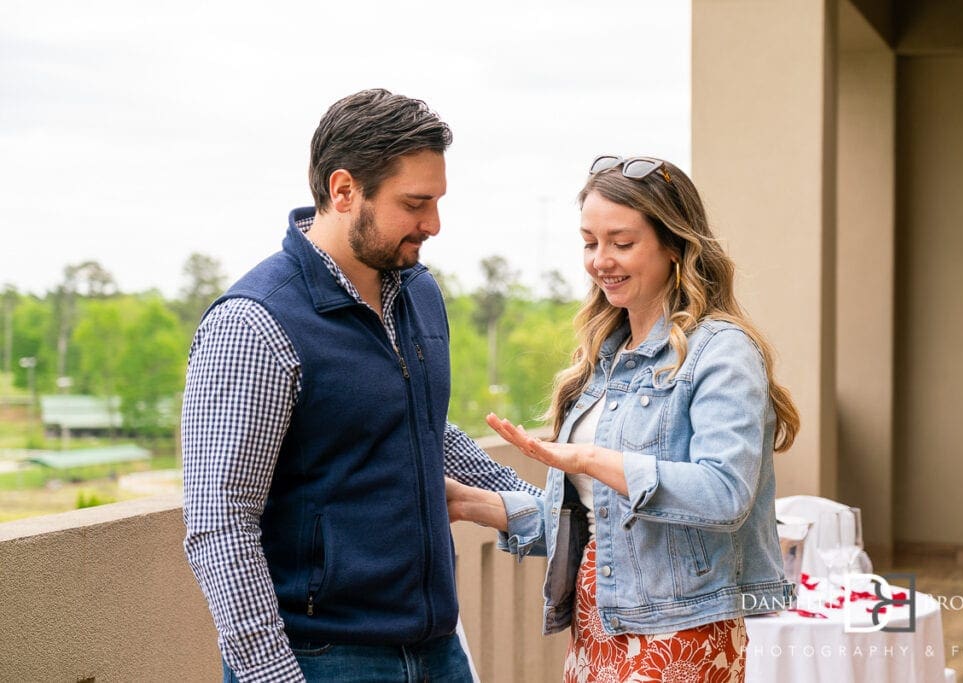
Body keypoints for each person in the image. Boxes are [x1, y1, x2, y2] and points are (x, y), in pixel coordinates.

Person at [181, 89, 540, 682]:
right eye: (415, 203)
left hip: (437, 650)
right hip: (323, 660)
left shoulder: (418, 291)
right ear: (344, 191)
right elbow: (221, 521)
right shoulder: (254, 323)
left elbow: (422, 423)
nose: (434, 224)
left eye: (438, 201)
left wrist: (534, 506)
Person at [445, 155, 801, 681]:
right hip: (597, 623)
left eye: (622, 242)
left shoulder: (721, 351)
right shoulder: (603, 358)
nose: (600, 260)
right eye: (590, 242)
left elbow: (725, 494)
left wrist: (590, 458)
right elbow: (598, 523)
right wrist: (472, 503)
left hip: (680, 631)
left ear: (676, 245)